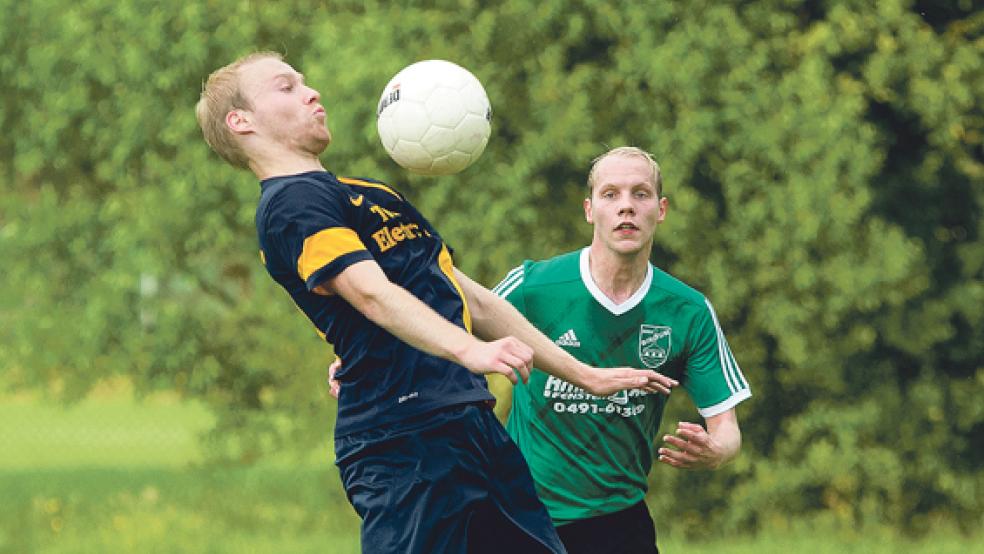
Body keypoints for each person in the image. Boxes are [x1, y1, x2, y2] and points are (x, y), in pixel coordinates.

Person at [195, 52, 677, 554]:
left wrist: (585, 374)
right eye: (286, 87)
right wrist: (468, 350)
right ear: (241, 121)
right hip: (400, 440)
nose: (310, 92)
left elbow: (473, 299)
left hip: (469, 426)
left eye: (304, 82)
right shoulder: (291, 205)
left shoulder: (371, 194)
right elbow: (369, 293)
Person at [490, 147, 752, 554]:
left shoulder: (687, 311)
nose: (626, 206)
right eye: (610, 194)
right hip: (520, 513)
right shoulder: (533, 287)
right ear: (589, 210)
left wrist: (716, 451)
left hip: (617, 522)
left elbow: (726, 426)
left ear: (661, 209)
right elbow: (449, 332)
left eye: (640, 194)